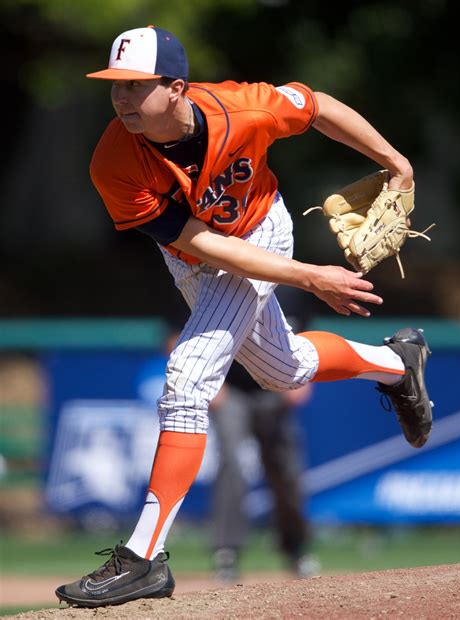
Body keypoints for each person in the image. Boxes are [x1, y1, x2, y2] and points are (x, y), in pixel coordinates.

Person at [56, 25, 433, 607]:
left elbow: (317, 105)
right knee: (284, 370)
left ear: (177, 87)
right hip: (196, 255)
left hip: (261, 230)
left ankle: (143, 558)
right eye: (116, 86)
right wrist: (309, 276)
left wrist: (396, 163)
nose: (123, 99)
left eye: (136, 85)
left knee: (187, 378)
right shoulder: (113, 159)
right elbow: (197, 242)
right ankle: (395, 362)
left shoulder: (242, 107)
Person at [209, 363, 318, 583]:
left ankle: (295, 548)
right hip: (231, 389)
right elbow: (179, 337)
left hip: (276, 388)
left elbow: (306, 337)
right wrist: (208, 380)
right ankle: (227, 552)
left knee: (286, 470)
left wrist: (304, 378)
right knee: (231, 464)